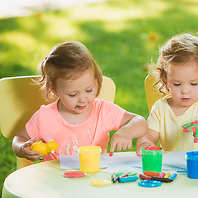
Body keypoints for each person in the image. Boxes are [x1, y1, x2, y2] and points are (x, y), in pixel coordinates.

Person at [12, 41, 148, 161]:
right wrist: (23, 148)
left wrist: (126, 132)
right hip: (56, 182)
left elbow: (140, 121)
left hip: (94, 181)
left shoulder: (102, 111)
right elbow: (19, 139)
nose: (83, 99)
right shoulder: (44, 117)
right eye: (72, 94)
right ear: (54, 90)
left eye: (89, 90)